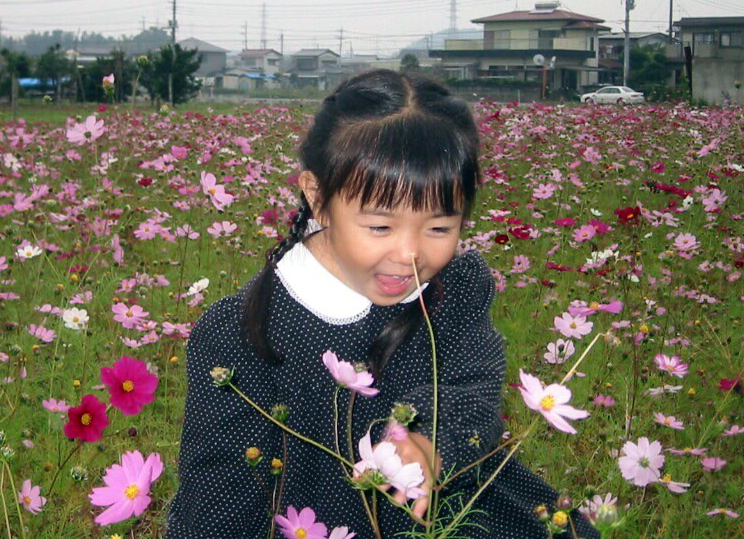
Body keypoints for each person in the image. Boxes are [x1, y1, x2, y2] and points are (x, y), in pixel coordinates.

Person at [166, 70, 598, 539]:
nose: (410, 254)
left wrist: (430, 439)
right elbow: (218, 493)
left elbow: (472, 386)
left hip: (458, 516)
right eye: (379, 227)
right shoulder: (242, 330)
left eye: (439, 228)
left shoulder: (455, 287)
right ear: (317, 196)